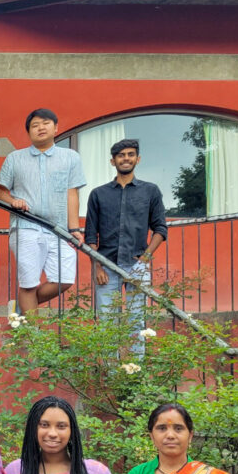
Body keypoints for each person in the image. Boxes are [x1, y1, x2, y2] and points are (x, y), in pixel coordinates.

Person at [0, 108, 86, 313]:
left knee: (65, 279)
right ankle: (34, 339)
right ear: (29, 132)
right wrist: (13, 201)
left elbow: (72, 194)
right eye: (34, 125)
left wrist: (75, 229)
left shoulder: (71, 157)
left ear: (56, 127)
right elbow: (0, 191)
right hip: (26, 226)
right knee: (28, 283)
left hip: (58, 229)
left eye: (45, 123)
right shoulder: (14, 158)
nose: (40, 128)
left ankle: (21, 309)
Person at [84, 138, 167, 356]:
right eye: (121, 155)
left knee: (136, 321)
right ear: (113, 161)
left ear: (138, 159)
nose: (126, 158)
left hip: (137, 264)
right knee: (107, 322)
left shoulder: (150, 191)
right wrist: (97, 267)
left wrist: (145, 260)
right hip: (106, 265)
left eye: (130, 154)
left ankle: (135, 372)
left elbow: (160, 229)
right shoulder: (98, 194)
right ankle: (111, 375)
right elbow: (91, 234)